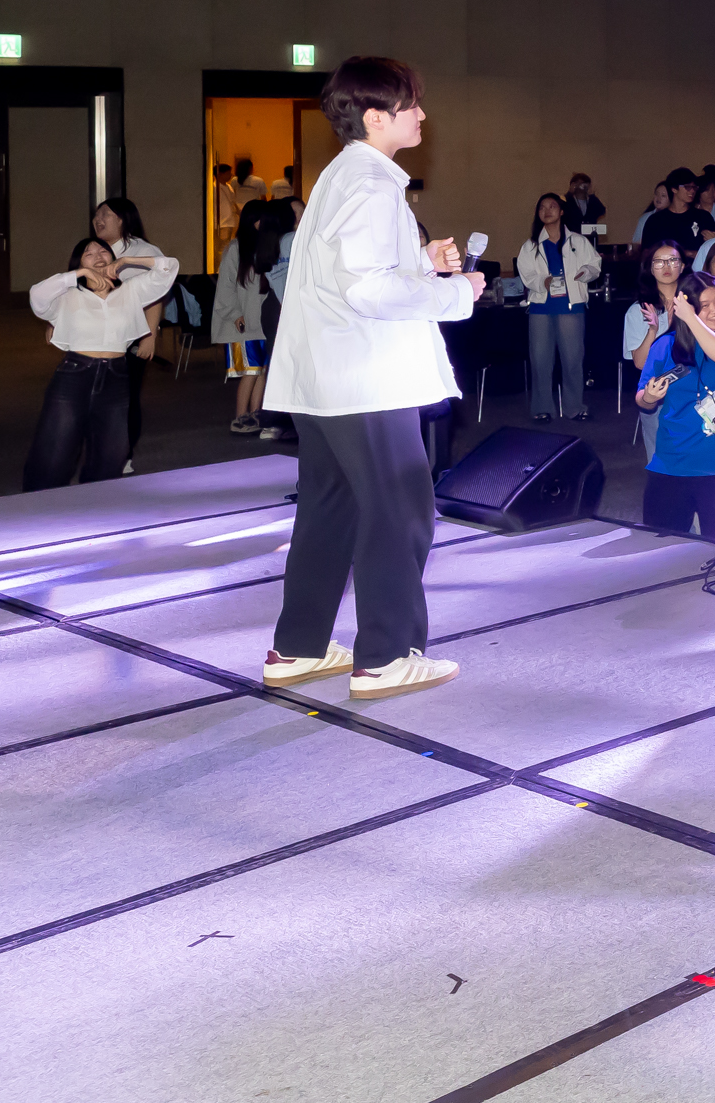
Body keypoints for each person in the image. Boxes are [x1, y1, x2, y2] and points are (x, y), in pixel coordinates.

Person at [261, 56, 482, 701]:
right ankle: (385, 656)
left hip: (326, 379)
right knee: (399, 510)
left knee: (329, 511)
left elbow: (347, 273)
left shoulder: (343, 174)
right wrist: (458, 292)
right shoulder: (372, 184)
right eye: (412, 104)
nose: (422, 114)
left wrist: (420, 258)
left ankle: (298, 648)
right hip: (366, 381)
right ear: (376, 116)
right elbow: (368, 291)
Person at [20, 237, 180, 489]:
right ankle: (40, 507)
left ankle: (96, 507)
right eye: (88, 253)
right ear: (78, 263)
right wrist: (78, 275)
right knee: (54, 453)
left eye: (103, 251)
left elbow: (169, 267)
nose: (97, 256)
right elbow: (37, 296)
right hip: (74, 376)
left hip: (117, 377)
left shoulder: (130, 291)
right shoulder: (68, 296)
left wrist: (127, 261)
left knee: (110, 456)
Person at [630, 270, 715, 537]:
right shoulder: (665, 345)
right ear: (688, 308)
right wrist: (649, 397)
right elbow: (641, 397)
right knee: (661, 549)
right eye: (703, 305)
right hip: (673, 461)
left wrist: (691, 318)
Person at [89, 197, 168, 471]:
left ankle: (124, 456)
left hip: (132, 336)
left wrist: (150, 335)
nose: (98, 220)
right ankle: (102, 450)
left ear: (122, 219)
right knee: (97, 395)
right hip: (97, 337)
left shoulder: (143, 251)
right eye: (96, 215)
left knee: (125, 397)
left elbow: (156, 295)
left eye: (105, 214)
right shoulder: (94, 251)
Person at [212, 201, 292, 438]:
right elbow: (226, 286)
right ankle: (240, 416)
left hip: (262, 322)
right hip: (244, 323)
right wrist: (235, 313)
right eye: (260, 219)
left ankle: (256, 414)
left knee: (262, 370)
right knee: (251, 370)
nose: (263, 223)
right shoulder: (236, 248)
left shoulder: (267, 246)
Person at [516, 192, 596, 423]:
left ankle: (575, 407)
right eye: (542, 207)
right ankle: (542, 408)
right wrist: (543, 282)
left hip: (571, 307)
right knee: (540, 360)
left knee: (572, 360)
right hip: (541, 308)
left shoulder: (578, 241)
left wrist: (585, 273)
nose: (547, 211)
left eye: (552, 206)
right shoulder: (530, 246)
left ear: (561, 211)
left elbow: (595, 265)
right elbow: (526, 274)